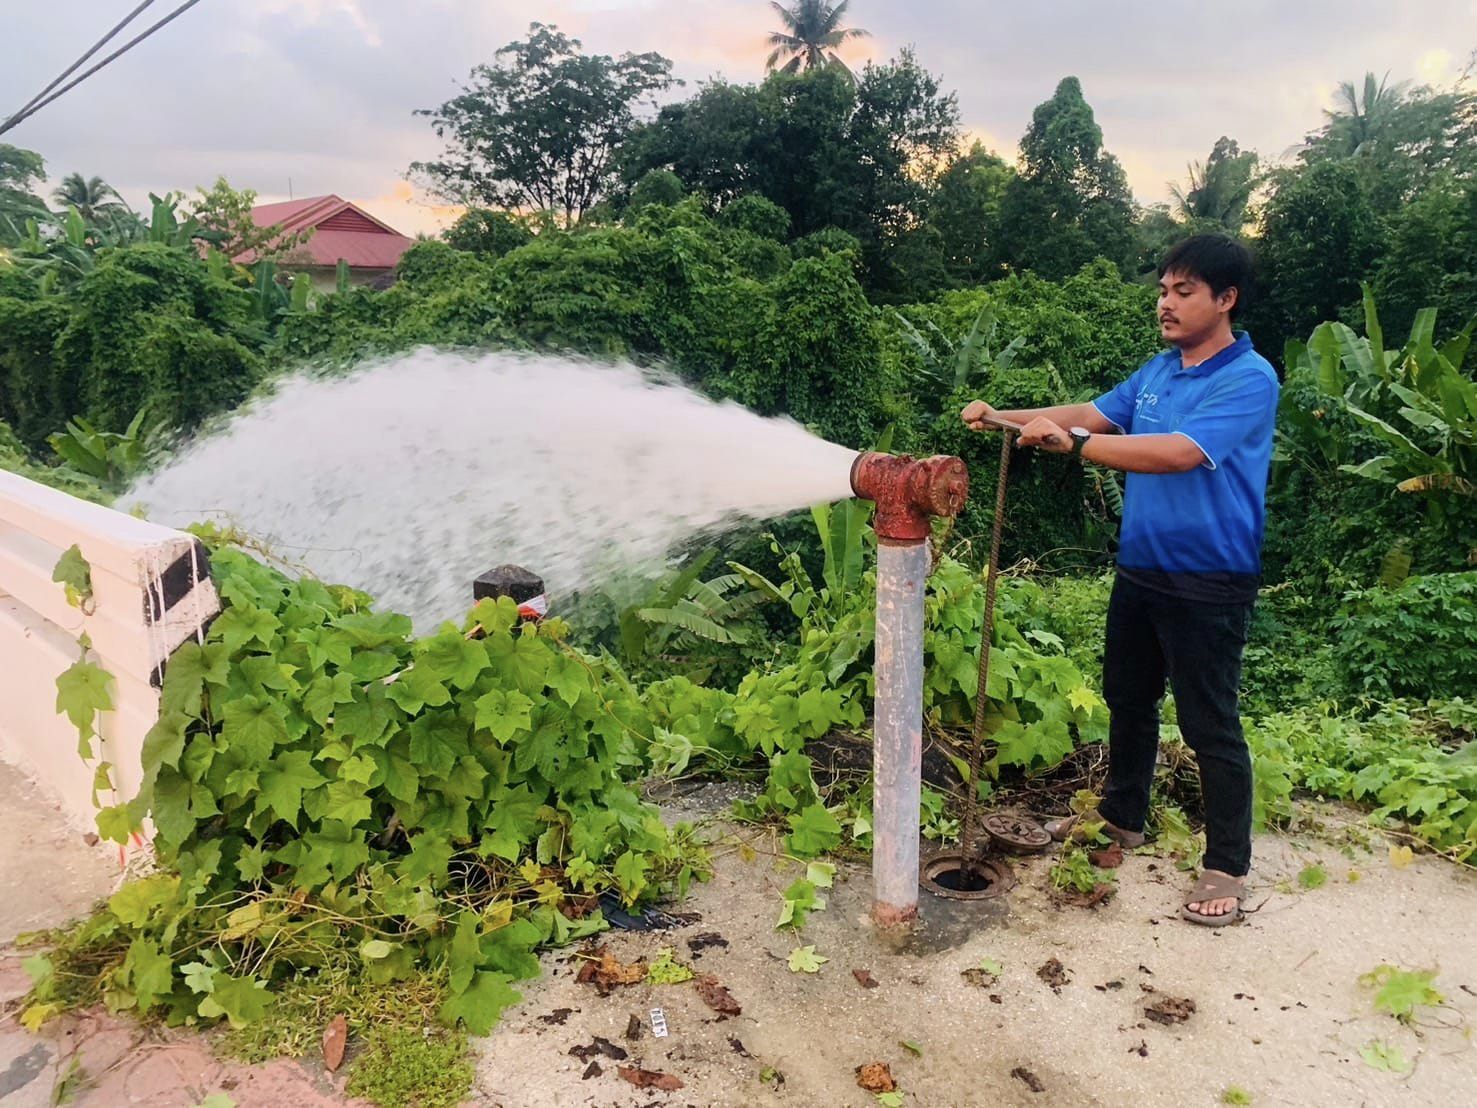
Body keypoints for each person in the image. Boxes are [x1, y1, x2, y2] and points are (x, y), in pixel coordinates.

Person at [960, 234, 1278, 927]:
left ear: (1225, 299)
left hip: (1208, 580)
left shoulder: (1248, 378)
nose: (1165, 303)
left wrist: (1072, 445)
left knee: (1208, 722)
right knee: (1127, 700)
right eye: (1163, 289)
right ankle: (1120, 821)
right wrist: (1006, 418)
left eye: (1183, 291)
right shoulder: (1159, 371)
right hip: (1140, 570)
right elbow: (1091, 416)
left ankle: (1226, 862)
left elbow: (1176, 453)